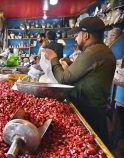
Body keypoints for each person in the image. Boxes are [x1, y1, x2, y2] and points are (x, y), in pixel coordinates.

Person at [44, 17, 116, 147]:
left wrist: (53, 58)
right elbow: (88, 74)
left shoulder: (93, 52)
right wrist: (71, 64)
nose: (76, 39)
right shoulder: (102, 50)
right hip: (95, 109)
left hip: (89, 111)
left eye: (77, 34)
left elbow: (63, 78)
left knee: (94, 148)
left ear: (86, 35)